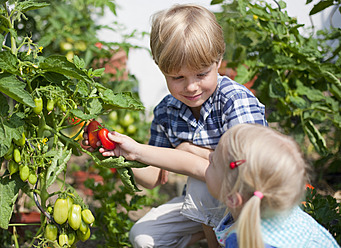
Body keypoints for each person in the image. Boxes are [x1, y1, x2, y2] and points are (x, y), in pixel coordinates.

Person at [83, 4, 267, 248]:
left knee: (202, 182)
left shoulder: (234, 99)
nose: (191, 87)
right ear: (161, 68)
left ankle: (222, 240)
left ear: (218, 60)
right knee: (144, 236)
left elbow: (250, 168)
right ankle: (210, 232)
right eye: (178, 77)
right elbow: (151, 178)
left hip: (251, 201)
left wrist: (190, 152)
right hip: (204, 205)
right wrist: (122, 153)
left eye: (201, 74)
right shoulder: (166, 111)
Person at [205, 123, 340, 248]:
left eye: (214, 163)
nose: (210, 156)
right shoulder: (285, 213)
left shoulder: (244, 241)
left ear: (234, 199)